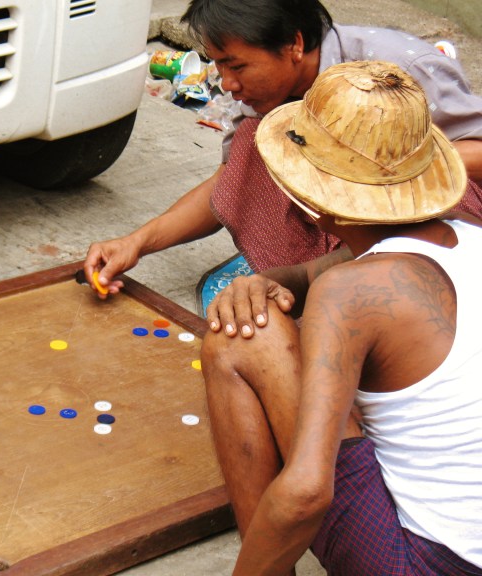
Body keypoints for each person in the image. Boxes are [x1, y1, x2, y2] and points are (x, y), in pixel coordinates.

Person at [202, 60, 482, 575]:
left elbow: (306, 492)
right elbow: (314, 272)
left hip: (425, 565)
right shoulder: (467, 230)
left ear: (313, 202)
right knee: (258, 312)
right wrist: (266, 281)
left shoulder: (348, 292)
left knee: (241, 335)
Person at [83, 0, 482, 293]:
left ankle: (376, 293)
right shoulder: (260, 99)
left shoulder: (400, 70)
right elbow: (231, 182)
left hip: (441, 227)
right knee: (253, 145)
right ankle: (312, 282)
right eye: (219, 66)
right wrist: (136, 243)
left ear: (294, 44)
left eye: (237, 66)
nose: (228, 84)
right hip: (350, 245)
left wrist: (372, 172)